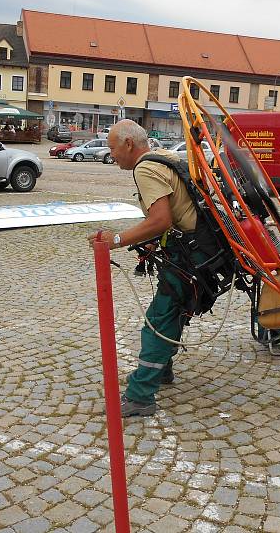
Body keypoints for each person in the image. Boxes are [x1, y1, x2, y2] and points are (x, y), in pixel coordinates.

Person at [88, 119, 206, 417]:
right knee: (172, 315)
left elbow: (160, 220)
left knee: (157, 321)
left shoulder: (145, 168)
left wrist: (114, 240)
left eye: (113, 147)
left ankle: (141, 396)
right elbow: (178, 209)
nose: (110, 154)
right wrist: (154, 242)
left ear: (129, 144)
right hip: (199, 248)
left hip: (187, 256)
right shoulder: (166, 157)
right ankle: (161, 371)